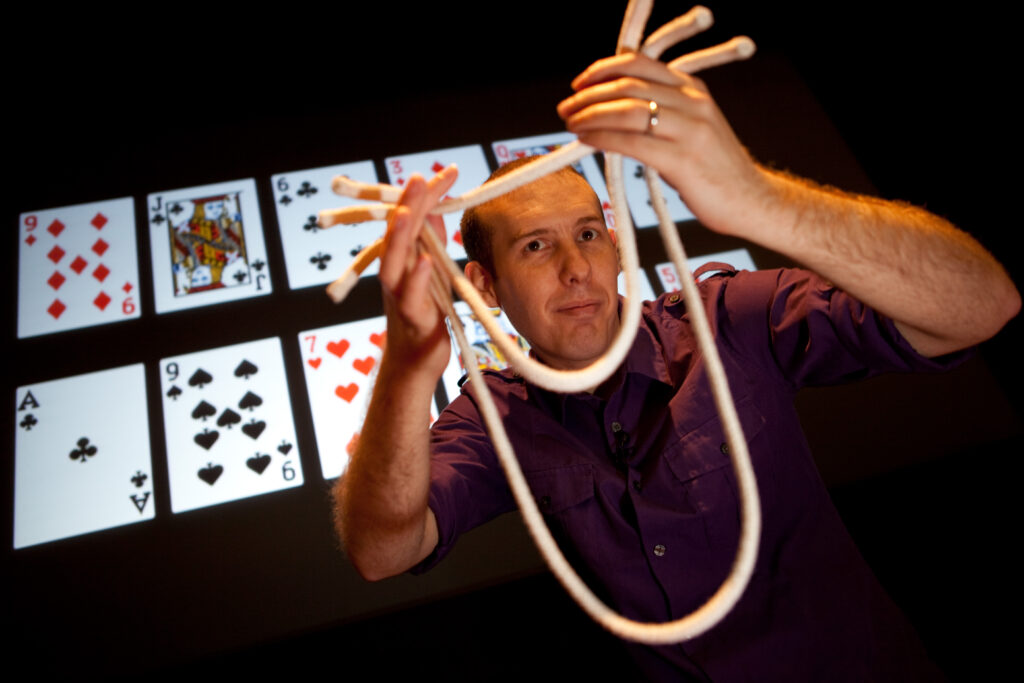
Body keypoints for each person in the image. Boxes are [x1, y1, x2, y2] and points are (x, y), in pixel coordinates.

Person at [332, 53, 1020, 680]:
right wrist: (406, 370)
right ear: (483, 287)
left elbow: (982, 306)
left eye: (589, 234)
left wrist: (757, 197)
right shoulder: (497, 417)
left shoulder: (723, 319)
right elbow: (381, 550)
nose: (577, 269)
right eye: (537, 247)